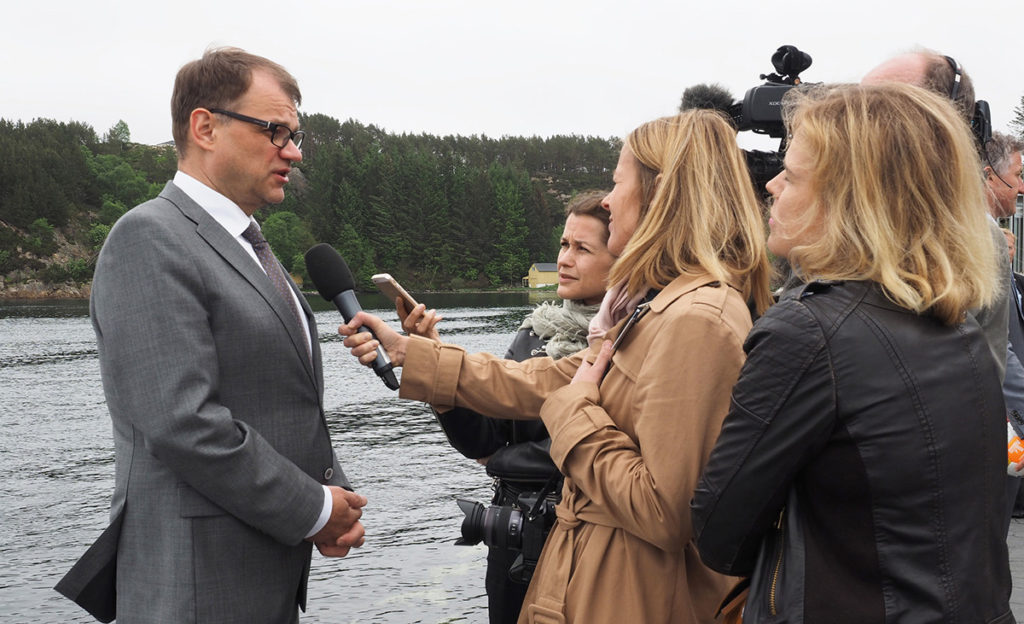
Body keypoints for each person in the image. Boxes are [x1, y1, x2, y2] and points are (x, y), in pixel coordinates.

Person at [342, 109, 774, 623]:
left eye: (617, 183)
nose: (609, 200)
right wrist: (414, 355)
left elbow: (665, 511)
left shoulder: (697, 320)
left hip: (631, 596)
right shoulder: (661, 307)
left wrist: (574, 411)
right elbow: (546, 378)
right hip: (601, 578)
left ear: (662, 194)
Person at [55, 47, 366, 624]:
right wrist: (313, 509)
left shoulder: (249, 248)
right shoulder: (148, 238)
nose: (293, 152)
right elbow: (185, 422)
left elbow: (275, 398)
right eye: (275, 131)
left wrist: (330, 495)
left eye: (296, 135)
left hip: (259, 575)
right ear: (205, 126)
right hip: (194, 588)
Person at [691, 83, 1014, 623]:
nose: (770, 185)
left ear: (847, 200)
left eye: (791, 175)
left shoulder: (809, 331)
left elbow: (720, 533)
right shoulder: (954, 323)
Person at [401, 191, 613, 624]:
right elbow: (482, 439)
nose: (565, 259)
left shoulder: (625, 342)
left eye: (582, 248)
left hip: (586, 537)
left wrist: (505, 459)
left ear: (623, 258)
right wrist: (436, 366)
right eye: (563, 244)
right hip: (515, 539)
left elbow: (562, 450)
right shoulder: (535, 334)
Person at [862, 49, 1012, 380]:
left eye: (879, 108)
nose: (855, 124)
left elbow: (981, 388)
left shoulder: (978, 241)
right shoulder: (827, 216)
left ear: (944, 127)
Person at [984, 131, 1024, 532]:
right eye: (1018, 173)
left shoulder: (995, 240)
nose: (1022, 185)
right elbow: (996, 344)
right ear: (989, 176)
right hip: (998, 423)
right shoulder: (981, 243)